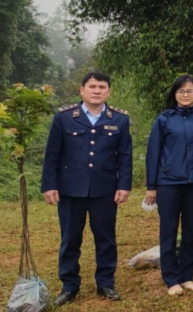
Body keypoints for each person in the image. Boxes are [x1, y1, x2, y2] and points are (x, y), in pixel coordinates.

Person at [42, 71, 132, 306]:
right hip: (71, 189)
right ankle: (69, 285)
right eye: (92, 86)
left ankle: (105, 283)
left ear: (109, 92)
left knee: (106, 239)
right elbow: (52, 154)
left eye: (102, 87)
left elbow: (125, 155)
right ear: (82, 90)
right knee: (70, 239)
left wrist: (124, 185)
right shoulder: (64, 117)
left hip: (105, 189)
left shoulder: (119, 119)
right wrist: (49, 185)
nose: (97, 90)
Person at [146, 75, 193, 296]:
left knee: (191, 230)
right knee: (169, 230)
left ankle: (186, 276)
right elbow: (153, 153)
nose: (186, 94)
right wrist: (151, 186)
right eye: (181, 91)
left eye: (190, 91)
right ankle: (171, 278)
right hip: (169, 184)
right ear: (174, 94)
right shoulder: (164, 120)